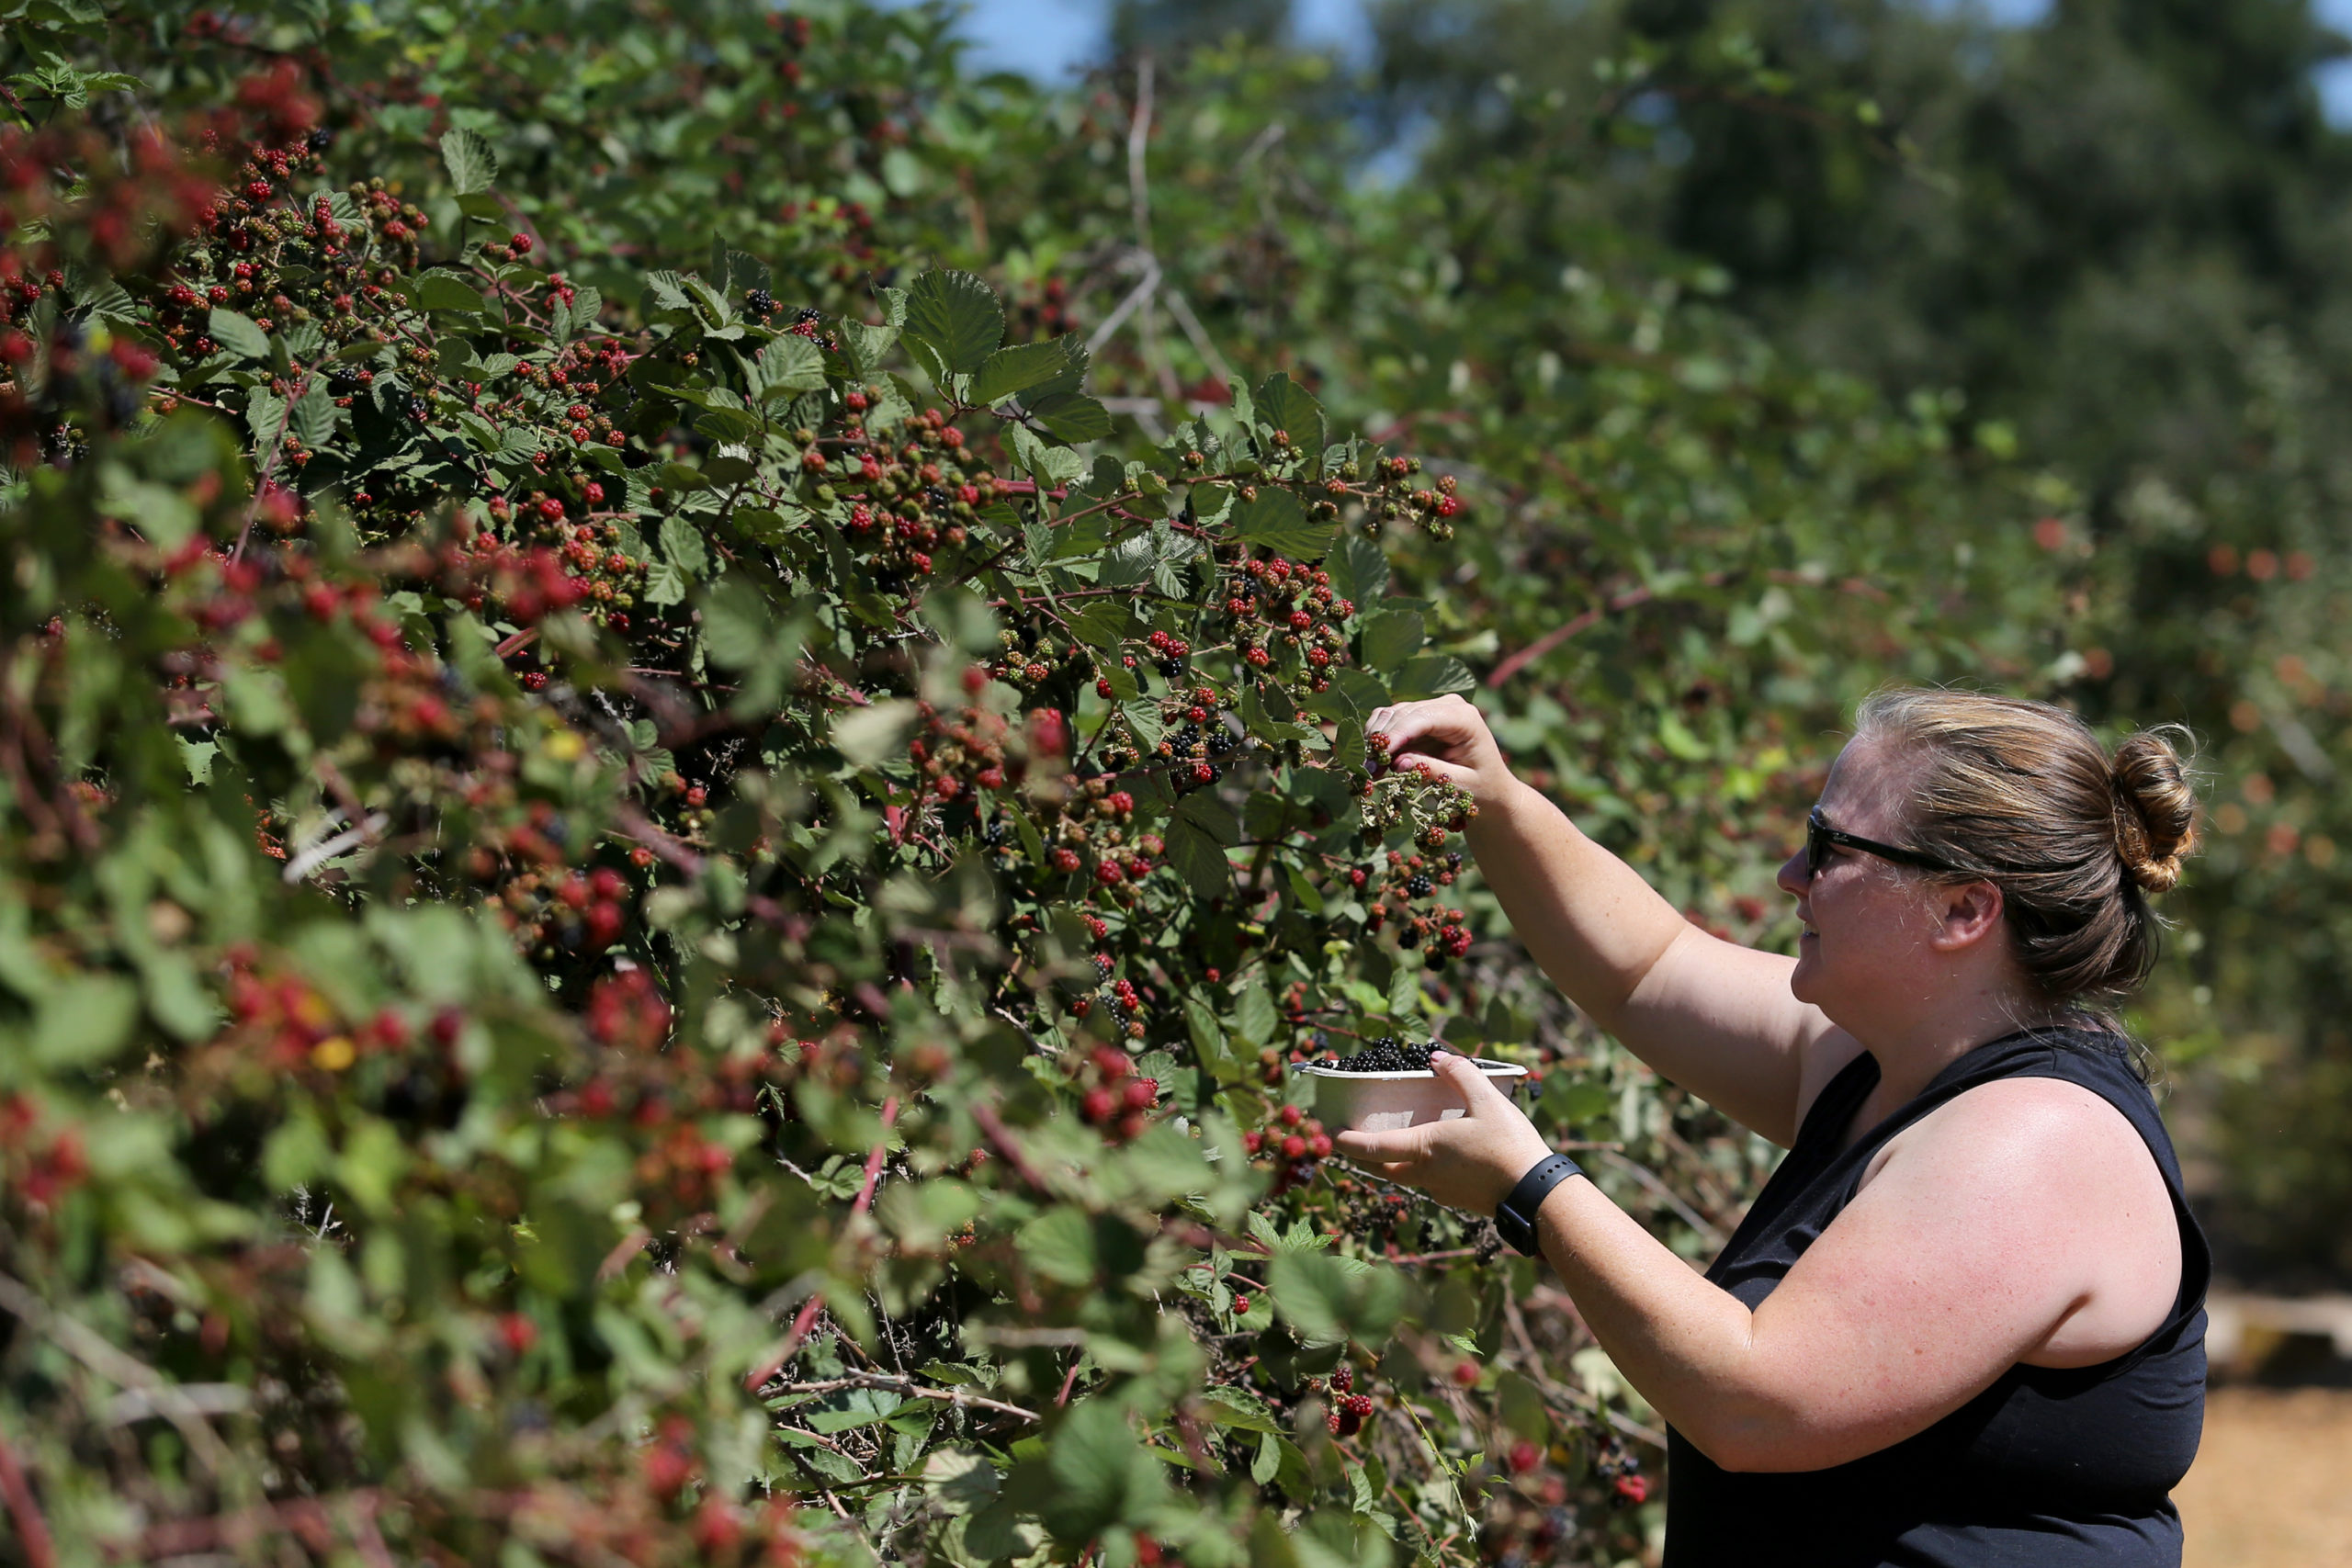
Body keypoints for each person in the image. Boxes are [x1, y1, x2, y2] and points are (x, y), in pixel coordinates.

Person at [1339, 688, 2209, 1567]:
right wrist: (1493, 798)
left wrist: (1530, 1187)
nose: (1791, 874)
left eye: (1829, 847)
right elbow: (1647, 968)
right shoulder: (1886, 1059)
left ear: (1963, 910)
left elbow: (1757, 1405)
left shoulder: (2035, 1144)